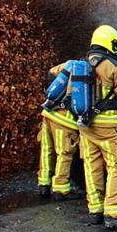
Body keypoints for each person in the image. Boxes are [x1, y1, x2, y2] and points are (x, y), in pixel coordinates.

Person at [78, 25, 117, 230]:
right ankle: (113, 213)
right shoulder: (113, 66)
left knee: (92, 166)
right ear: (109, 43)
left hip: (86, 126)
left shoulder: (81, 64)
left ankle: (95, 211)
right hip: (109, 128)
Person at [38, 63, 84, 202]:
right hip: (65, 121)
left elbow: (50, 74)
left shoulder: (71, 64)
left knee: (47, 150)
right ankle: (61, 189)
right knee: (65, 153)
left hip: (49, 113)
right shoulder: (89, 71)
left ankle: (44, 184)